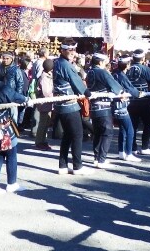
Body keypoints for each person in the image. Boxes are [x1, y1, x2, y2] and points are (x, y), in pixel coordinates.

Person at [0, 58, 30, 195]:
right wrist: (26, 100)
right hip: (1, 124)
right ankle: (11, 183)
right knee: (11, 152)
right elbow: (15, 96)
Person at [52, 39, 90, 175]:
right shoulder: (65, 65)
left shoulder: (59, 62)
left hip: (62, 104)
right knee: (77, 134)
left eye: (74, 50)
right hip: (69, 105)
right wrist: (86, 92)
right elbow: (76, 80)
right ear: (62, 50)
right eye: (69, 50)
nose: (72, 52)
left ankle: (62, 165)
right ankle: (77, 166)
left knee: (67, 135)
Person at [84, 53, 122, 168]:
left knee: (97, 133)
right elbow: (117, 88)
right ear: (100, 62)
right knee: (107, 133)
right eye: (105, 61)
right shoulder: (102, 72)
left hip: (93, 107)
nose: (107, 63)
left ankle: (97, 158)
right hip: (103, 106)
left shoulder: (90, 72)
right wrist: (121, 93)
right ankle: (101, 160)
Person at [126, 49, 150, 156]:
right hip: (144, 100)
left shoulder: (127, 68)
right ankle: (144, 147)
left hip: (130, 100)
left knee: (133, 125)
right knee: (148, 123)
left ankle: (133, 147)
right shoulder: (145, 69)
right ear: (143, 58)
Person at [111, 56, 141, 162]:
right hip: (120, 105)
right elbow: (130, 88)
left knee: (123, 129)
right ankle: (128, 153)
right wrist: (139, 94)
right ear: (127, 64)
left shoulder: (114, 73)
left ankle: (121, 152)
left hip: (116, 104)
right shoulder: (121, 76)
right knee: (130, 130)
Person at [34, 58, 55, 151]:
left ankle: (43, 140)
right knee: (43, 123)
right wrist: (54, 94)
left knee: (46, 122)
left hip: (48, 103)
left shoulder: (48, 75)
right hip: (44, 102)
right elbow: (46, 91)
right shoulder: (44, 77)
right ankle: (39, 142)